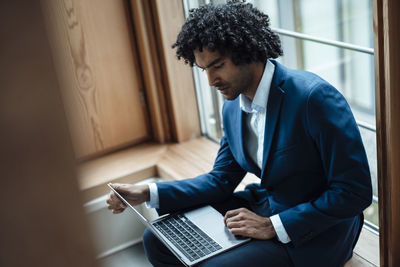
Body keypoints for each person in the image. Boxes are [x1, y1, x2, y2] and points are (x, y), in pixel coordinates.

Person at [106, 1, 372, 266]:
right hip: (265, 204)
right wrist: (147, 192)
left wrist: (272, 225)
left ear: (248, 51)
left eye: (217, 65)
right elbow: (220, 179)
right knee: (156, 239)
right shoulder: (232, 106)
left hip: (315, 232)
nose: (210, 81)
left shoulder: (313, 99)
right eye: (204, 69)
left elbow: (354, 192)